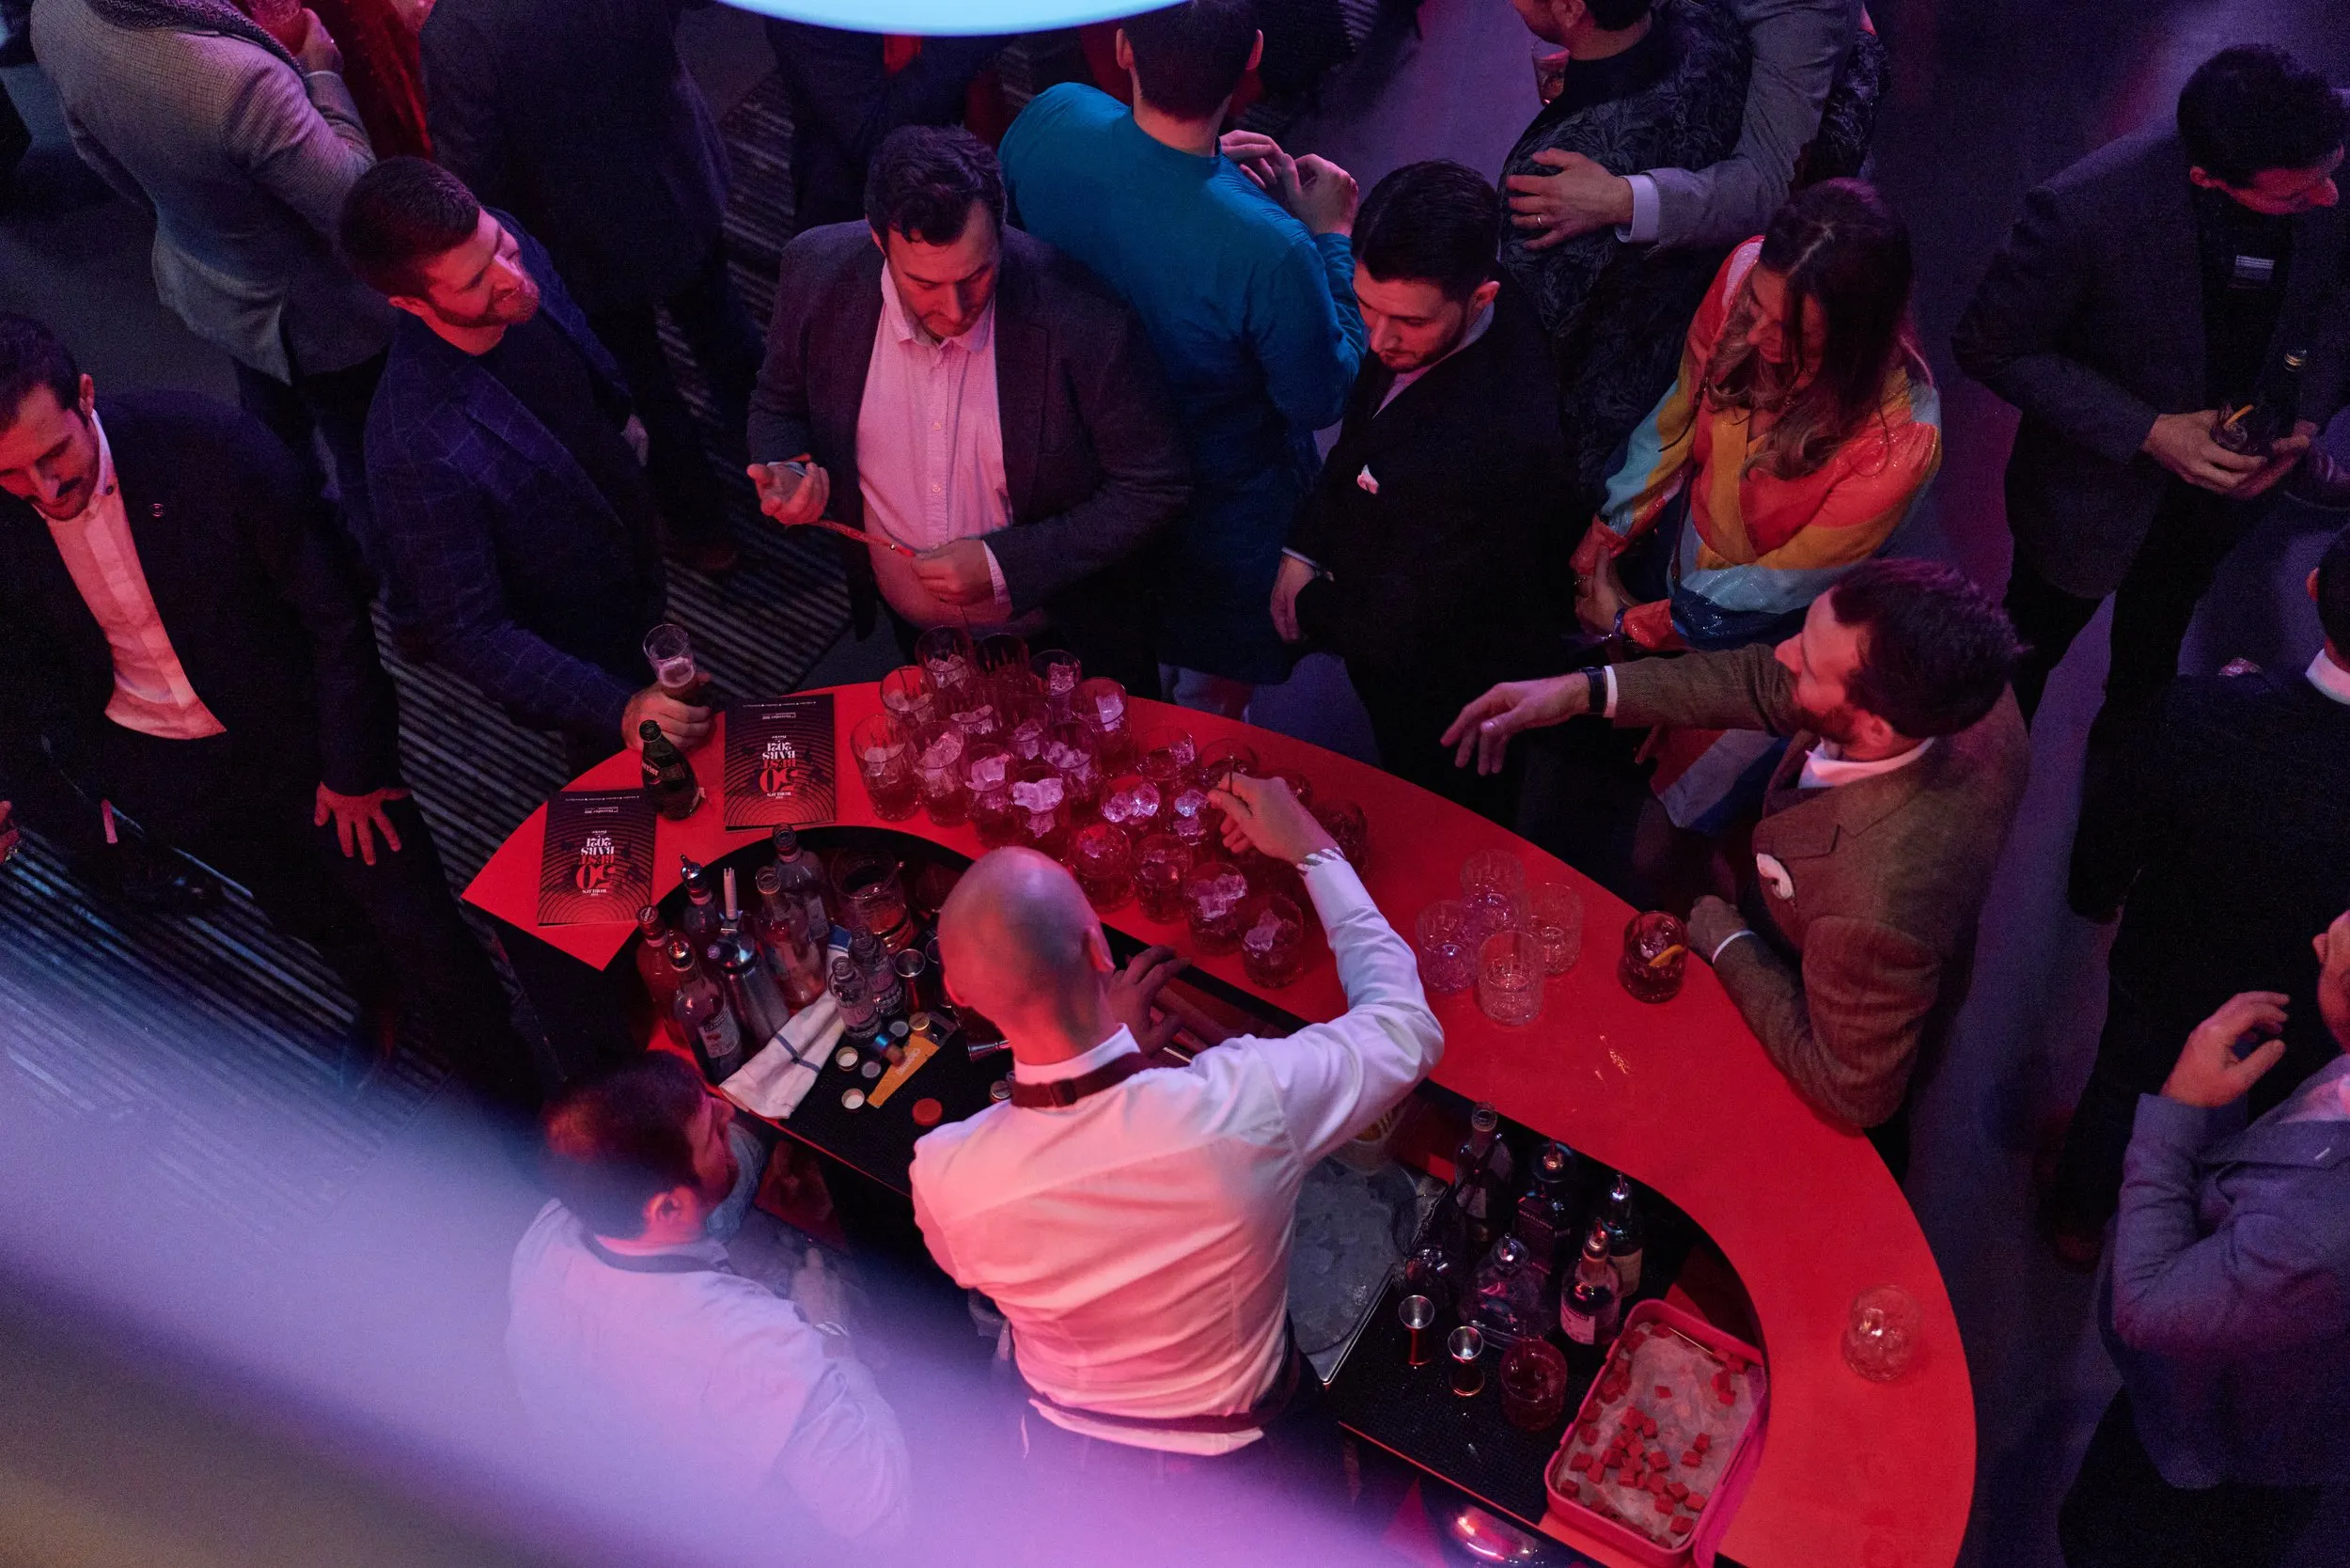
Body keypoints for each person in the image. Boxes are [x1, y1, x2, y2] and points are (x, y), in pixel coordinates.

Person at [0, 313, 535, 1114]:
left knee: (422, 927)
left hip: (308, 747)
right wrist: (96, 776)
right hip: (167, 769)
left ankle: (519, 1108)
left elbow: (335, 615)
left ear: (85, 397)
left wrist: (354, 767)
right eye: (13, 474)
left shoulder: (212, 451)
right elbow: (26, 667)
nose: (44, 489)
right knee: (300, 909)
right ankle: (376, 993)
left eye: (54, 455)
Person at [908, 777, 1440, 1469]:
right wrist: (1312, 847)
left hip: (1073, 1471)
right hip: (1253, 1468)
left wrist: (1116, 1061)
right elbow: (1406, 1031)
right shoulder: (1244, 1103)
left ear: (959, 996)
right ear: (1100, 949)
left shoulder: (944, 1178)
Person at [1448, 558, 2028, 1175]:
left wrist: (1728, 939)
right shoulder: (1936, 682)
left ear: (1876, 729)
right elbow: (1765, 683)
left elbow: (1855, 1088)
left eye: (1806, 661)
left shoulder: (1878, 907)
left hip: (1847, 983)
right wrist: (1580, 691)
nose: (1782, 655)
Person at [1953, 45, 2349, 728]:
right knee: (2025, 658)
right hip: (2089, 504)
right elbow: (1991, 345)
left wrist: (2305, 418)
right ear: (2208, 179)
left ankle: (2128, 789)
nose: (2329, 197)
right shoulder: (2083, 212)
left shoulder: (2323, 148)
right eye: (2297, 195)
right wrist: (2150, 431)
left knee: (2151, 669)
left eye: (2331, 176)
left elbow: (2342, 296)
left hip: (2218, 508)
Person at [996, 0, 1366, 715]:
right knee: (1207, 714)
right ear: (1255, 54)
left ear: (1124, 47)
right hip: (1219, 518)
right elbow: (1322, 394)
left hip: (1077, 481)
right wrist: (1331, 237)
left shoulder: (1050, 117)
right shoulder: (1271, 248)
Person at [745, 126, 1189, 698]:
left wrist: (1007, 563)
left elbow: (1157, 485)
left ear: (1000, 233)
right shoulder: (815, 271)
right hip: (917, 638)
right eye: (925, 282)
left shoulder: (1085, 320)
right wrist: (791, 466)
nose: (954, 309)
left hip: (1068, 638)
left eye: (976, 275)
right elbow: (777, 403)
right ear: (880, 243)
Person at [1575, 179, 1940, 840]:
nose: (1764, 337)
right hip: (1684, 587)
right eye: (1758, 310)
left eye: (1796, 332)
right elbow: (1678, 415)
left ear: (1857, 338)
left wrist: (1630, 625)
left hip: (1774, 647)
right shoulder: (1747, 270)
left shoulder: (1902, 442)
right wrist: (1610, 530)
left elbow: (1757, 599)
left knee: (1668, 815)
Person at [2045, 523, 2350, 1265]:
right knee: (2285, 1120)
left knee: (2127, 1085)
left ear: (2311, 590)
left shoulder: (2202, 711)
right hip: (2317, 996)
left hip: (2174, 960)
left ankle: (2080, 1221)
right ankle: (2225, 1231)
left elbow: (2124, 819)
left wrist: (2097, 894)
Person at [342, 158, 706, 775]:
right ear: (408, 302)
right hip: (575, 644)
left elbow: (587, 358)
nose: (513, 278)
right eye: (476, 280)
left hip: (628, 551)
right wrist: (617, 708)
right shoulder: (413, 447)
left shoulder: (497, 237)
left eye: (502, 248)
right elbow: (471, 630)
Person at [35, 0, 400, 610]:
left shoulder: (55, 15)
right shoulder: (237, 79)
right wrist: (320, 69)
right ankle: (408, 608)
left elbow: (103, 163)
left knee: (273, 433)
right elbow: (356, 209)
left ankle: (311, 568)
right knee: (370, 456)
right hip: (320, 310)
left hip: (211, 283)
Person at [1271, 160, 1573, 823]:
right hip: (1393, 610)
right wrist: (1307, 543)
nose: (1378, 342)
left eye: (1406, 322)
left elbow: (1404, 622)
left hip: (1451, 686)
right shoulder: (1441, 311)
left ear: (1481, 298)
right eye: (1366, 306)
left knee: (1441, 814)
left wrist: (1313, 605)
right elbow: (1365, 436)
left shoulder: (1503, 441)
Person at [509, 1052, 910, 1542]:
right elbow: (879, 1512)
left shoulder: (547, 1235)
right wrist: (830, 1331)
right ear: (670, 1207)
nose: (731, 1113)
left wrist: (759, 1138)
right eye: (711, 1134)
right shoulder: (757, 1349)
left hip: (609, 1486)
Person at [422, 0, 764, 573]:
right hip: (671, 176)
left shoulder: (457, 31)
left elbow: (473, 172)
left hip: (577, 234)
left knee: (640, 380)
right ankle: (785, 459)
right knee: (721, 322)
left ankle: (704, 531)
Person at [2055, 919, 2350, 1568]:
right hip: (2247, 1379)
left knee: (2102, 1541)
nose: (2320, 942)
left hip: (2213, 1456)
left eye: (2339, 955)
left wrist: (2179, 1106)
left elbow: (2147, 1305)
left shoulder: (2321, 1232)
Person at [1497, 0, 1749, 510]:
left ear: (1570, 9)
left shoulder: (1549, 178)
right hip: (1687, 356)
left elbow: (1533, 343)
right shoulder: (1710, 28)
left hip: (1597, 435)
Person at [1507, 0, 1870, 253]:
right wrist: (1597, 33)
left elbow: (1768, 185)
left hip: (1741, 222)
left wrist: (1620, 199)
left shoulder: (1803, 11)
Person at [761, 20, 1011, 230]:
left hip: (972, 151)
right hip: (861, 203)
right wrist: (975, 29)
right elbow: (877, 135)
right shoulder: (811, 18)